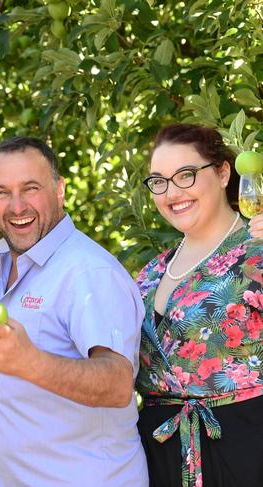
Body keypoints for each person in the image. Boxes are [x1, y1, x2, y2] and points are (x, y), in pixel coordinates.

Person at [0, 136, 148, 486]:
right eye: (1, 192)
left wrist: (30, 362)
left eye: (30, 188)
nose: (16, 206)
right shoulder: (1, 269)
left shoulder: (88, 271)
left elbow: (116, 383)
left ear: (60, 190)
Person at [136, 124, 263, 487]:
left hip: (246, 451)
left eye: (186, 175)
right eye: (159, 181)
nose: (172, 193)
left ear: (223, 173)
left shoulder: (257, 250)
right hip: (161, 453)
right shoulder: (148, 274)